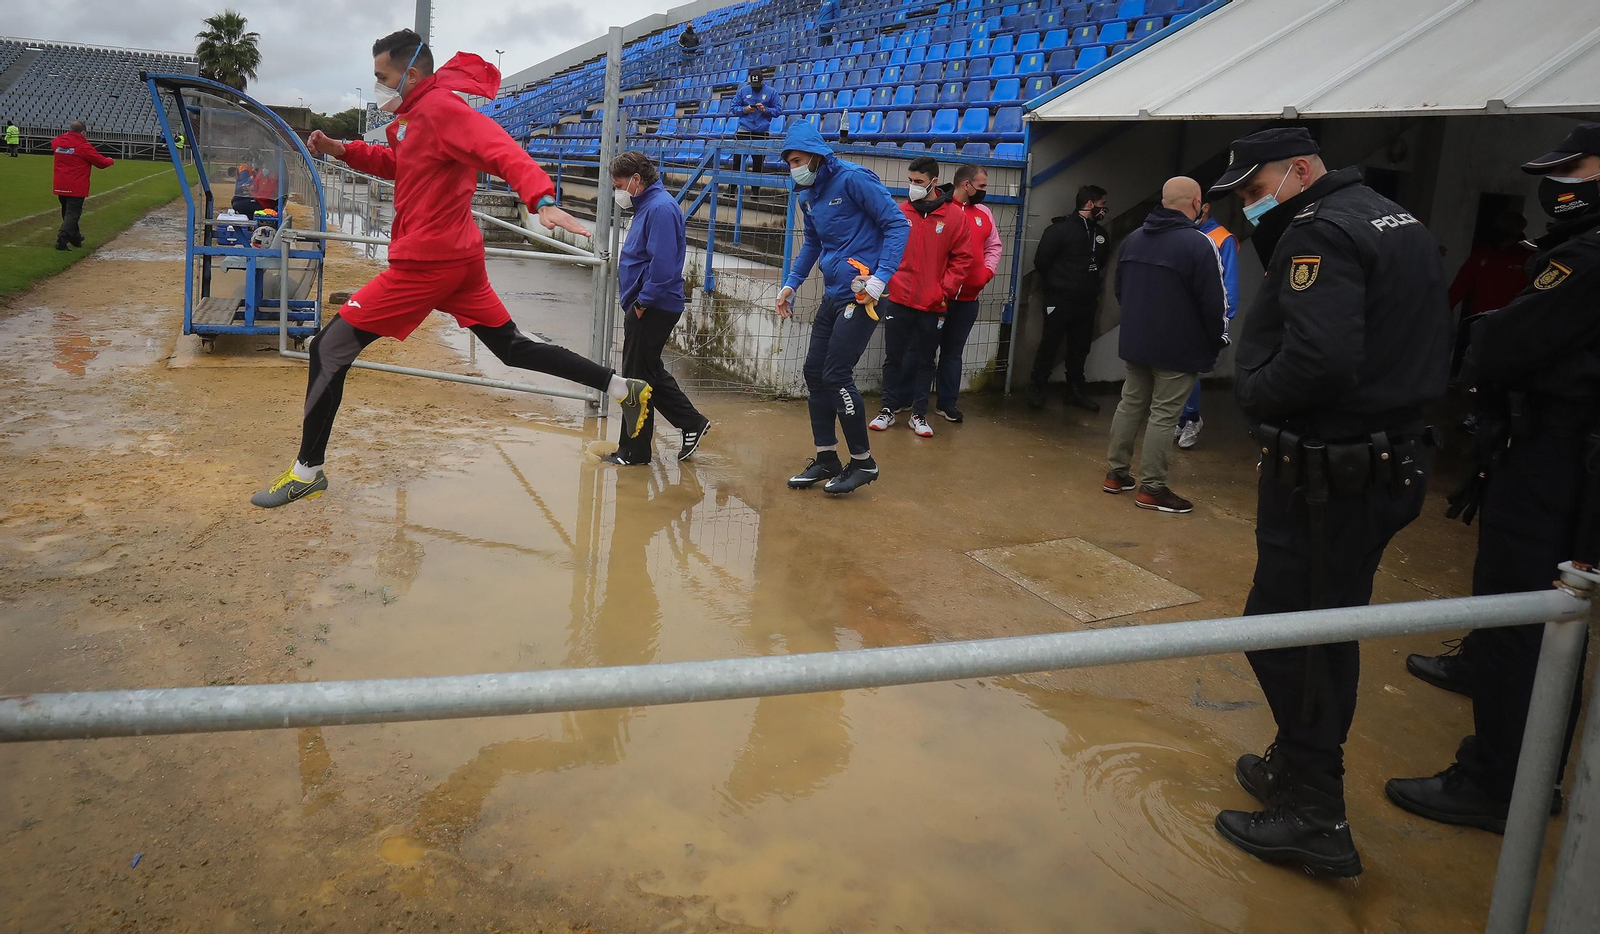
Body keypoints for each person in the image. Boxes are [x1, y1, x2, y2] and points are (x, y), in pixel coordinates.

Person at [251, 29, 651, 509]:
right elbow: (402, 164)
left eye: (382, 77)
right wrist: (343, 149)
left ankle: (307, 471)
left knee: (328, 348)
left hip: (428, 264)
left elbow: (498, 147)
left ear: (411, 75)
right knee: (512, 347)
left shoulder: (442, 109)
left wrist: (540, 198)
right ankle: (623, 388)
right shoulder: (413, 117)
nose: (378, 85)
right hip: (458, 260)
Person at [1206, 127, 1451, 877]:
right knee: (1322, 622)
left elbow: (1319, 358)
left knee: (1292, 635)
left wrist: (1252, 395)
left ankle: (1313, 812)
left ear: (1301, 170)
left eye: (1255, 191)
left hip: (1329, 475)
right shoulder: (1388, 215)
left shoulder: (1320, 231)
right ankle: (1296, 765)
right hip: (1378, 461)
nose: (1249, 209)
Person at [1385, 124, 1600, 835]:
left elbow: (1501, 343)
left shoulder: (1586, 258)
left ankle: (1502, 784)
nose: (1556, 186)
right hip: (1551, 453)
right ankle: (1507, 729)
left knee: (1530, 622)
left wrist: (1486, 338)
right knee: (1521, 613)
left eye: (1573, 171)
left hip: (1557, 462)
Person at [775, 121, 909, 495]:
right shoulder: (807, 193)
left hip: (864, 294)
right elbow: (813, 244)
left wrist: (880, 280)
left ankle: (864, 462)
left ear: (817, 156)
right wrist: (791, 283)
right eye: (788, 162)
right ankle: (827, 457)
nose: (793, 167)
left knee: (836, 374)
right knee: (814, 371)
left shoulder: (853, 179)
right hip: (834, 293)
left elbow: (897, 225)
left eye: (797, 160)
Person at [1102, 177, 1227, 514]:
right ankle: (1152, 489)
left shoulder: (1133, 240)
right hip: (1178, 347)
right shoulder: (1200, 245)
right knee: (1164, 415)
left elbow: (1120, 291)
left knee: (1130, 404)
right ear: (1196, 202)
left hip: (1137, 341)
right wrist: (1216, 342)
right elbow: (1214, 304)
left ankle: (1116, 475)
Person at [604, 151, 710, 467]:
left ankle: (634, 452)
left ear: (636, 180)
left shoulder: (660, 208)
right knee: (647, 373)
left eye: (619, 184)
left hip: (652, 306)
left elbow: (663, 265)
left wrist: (642, 303)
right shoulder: (650, 205)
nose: (617, 191)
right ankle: (690, 422)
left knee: (635, 380)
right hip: (648, 305)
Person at [869, 155, 977, 439]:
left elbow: (963, 258)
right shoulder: (900, 212)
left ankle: (919, 415)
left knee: (925, 361)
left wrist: (943, 290)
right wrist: (888, 280)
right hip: (899, 299)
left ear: (934, 181)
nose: (913, 186)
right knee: (893, 357)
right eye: (910, 181)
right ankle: (888, 409)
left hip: (932, 303)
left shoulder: (954, 217)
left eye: (918, 181)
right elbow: (885, 247)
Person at [1030, 184, 1109, 412]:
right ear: (1090, 203)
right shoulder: (1059, 230)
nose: (1104, 210)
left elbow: (1102, 262)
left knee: (1080, 347)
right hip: (1059, 299)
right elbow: (1042, 261)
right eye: (1102, 204)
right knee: (1050, 344)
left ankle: (1075, 390)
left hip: (1086, 302)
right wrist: (1058, 284)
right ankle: (1037, 388)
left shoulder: (1100, 234)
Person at [936, 164, 1003, 423]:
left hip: (967, 300)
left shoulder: (984, 213)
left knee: (953, 353)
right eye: (982, 186)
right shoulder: (941, 208)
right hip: (938, 298)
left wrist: (986, 273)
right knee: (921, 351)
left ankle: (947, 404)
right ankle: (908, 401)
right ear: (966, 184)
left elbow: (994, 246)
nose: (985, 191)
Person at [1174, 200, 1239, 449]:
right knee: (1177, 368)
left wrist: (1222, 320)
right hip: (1181, 314)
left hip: (1205, 317)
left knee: (1189, 370)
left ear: (1205, 206)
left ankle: (1191, 418)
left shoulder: (1223, 239)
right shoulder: (1186, 235)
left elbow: (1230, 286)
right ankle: (1182, 419)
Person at [1444, 210, 1529, 382]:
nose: (1500, 229)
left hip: (1511, 325)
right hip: (1478, 323)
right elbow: (1461, 284)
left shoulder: (1527, 256)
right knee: (1471, 369)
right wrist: (1445, 307)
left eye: (1506, 225)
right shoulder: (1482, 253)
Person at [51, 120, 115, 251]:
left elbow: (54, 144)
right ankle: (62, 238)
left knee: (66, 211)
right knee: (73, 213)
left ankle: (75, 237)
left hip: (60, 183)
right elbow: (100, 162)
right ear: (83, 132)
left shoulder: (58, 141)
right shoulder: (83, 145)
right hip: (76, 185)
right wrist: (110, 160)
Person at [730, 71, 781, 183]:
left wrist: (765, 110)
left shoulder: (772, 92)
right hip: (744, 131)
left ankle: (755, 192)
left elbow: (778, 110)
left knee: (758, 163)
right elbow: (733, 108)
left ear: (763, 81)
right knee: (737, 161)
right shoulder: (743, 91)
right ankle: (732, 189)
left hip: (761, 132)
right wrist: (745, 109)